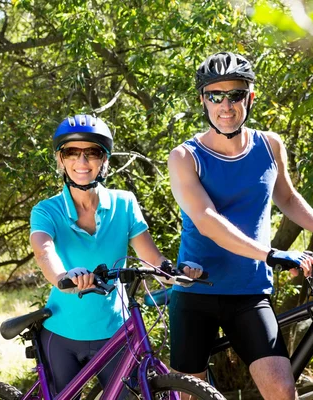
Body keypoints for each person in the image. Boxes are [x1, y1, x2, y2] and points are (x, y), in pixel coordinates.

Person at [167, 52, 313, 399]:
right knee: (189, 395)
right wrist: (272, 253)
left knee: (281, 389)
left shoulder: (270, 145)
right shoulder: (185, 157)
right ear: (203, 100)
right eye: (215, 96)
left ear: (250, 97)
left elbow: (288, 199)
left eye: (235, 95)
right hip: (195, 292)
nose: (226, 106)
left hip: (249, 291)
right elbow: (206, 221)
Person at [30, 114, 198, 397]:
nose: (82, 162)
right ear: (60, 160)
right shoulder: (46, 211)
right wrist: (63, 277)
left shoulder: (124, 203)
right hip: (61, 332)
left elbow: (151, 258)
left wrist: (176, 273)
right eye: (72, 152)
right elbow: (43, 251)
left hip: (116, 332)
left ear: (105, 161)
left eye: (93, 152)